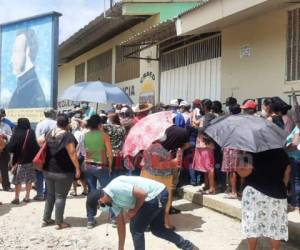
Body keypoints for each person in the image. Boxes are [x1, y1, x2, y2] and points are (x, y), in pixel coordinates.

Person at [95, 175, 196, 250]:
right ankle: (189, 247)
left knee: (135, 228)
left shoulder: (115, 187)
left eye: (101, 205)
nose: (104, 207)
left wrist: (134, 211)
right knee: (158, 229)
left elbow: (142, 194)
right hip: (153, 197)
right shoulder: (111, 202)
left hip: (157, 194)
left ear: (100, 197)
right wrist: (120, 248)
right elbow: (121, 225)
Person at [237, 149, 291, 250]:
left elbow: (243, 173)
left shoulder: (249, 151)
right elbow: (287, 170)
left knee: (252, 224)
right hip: (277, 192)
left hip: (253, 193)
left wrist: (240, 162)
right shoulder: (281, 152)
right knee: (276, 225)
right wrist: (283, 185)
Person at [42, 114, 81, 229]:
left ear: (57, 123)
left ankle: (46, 219)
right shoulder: (68, 136)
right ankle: (59, 222)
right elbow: (72, 153)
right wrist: (78, 168)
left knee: (50, 196)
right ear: (67, 124)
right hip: (63, 171)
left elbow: (41, 143)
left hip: (48, 169)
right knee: (60, 197)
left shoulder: (49, 133)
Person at [141, 135, 182, 229]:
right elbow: (156, 165)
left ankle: (146, 223)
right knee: (164, 201)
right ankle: (165, 223)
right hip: (160, 179)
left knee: (148, 200)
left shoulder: (149, 146)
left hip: (147, 176)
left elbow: (144, 163)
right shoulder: (157, 148)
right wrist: (173, 162)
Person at [84, 114, 113, 228]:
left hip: (88, 166)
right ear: (99, 124)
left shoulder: (85, 135)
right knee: (109, 192)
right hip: (102, 166)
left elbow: (86, 151)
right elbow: (109, 154)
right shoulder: (104, 135)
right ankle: (114, 218)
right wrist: (110, 166)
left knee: (91, 193)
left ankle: (90, 219)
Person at [9, 29, 46, 108]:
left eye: (16, 51)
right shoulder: (23, 86)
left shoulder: (32, 90)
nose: (11, 59)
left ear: (28, 51)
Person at [8, 118, 39, 204]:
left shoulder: (16, 133)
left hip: (19, 161)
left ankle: (17, 198)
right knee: (29, 179)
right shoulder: (31, 132)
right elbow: (36, 147)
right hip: (30, 161)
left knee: (18, 180)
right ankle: (27, 197)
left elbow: (10, 148)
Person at [34, 108, 57, 201]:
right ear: (52, 114)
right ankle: (48, 194)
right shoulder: (56, 124)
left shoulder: (40, 124)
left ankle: (39, 194)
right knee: (50, 173)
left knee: (39, 173)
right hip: (54, 152)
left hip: (42, 151)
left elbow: (37, 139)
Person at [103, 113, 126, 178]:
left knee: (107, 174)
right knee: (117, 174)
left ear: (111, 119)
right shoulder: (122, 128)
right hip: (119, 154)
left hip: (108, 153)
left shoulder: (107, 127)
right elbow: (123, 140)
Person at [70, 119, 88, 196]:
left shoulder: (76, 133)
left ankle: (75, 191)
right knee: (81, 174)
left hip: (77, 155)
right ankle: (85, 189)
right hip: (81, 155)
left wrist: (72, 154)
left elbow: (76, 145)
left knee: (74, 174)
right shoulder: (80, 133)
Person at [0, 115, 12, 191]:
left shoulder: (6, 126)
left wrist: (5, 136)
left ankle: (6, 186)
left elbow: (11, 136)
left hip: (4, 150)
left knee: (4, 169)